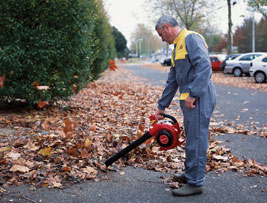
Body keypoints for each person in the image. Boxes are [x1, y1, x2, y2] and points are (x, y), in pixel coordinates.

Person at [154, 15, 216, 196]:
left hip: (199, 98)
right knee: (192, 138)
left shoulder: (191, 38)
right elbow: (172, 80)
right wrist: (161, 106)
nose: (161, 39)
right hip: (190, 100)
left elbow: (205, 66)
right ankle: (190, 174)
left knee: (196, 139)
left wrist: (194, 93)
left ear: (166, 27)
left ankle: (196, 183)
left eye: (160, 34)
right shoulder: (177, 47)